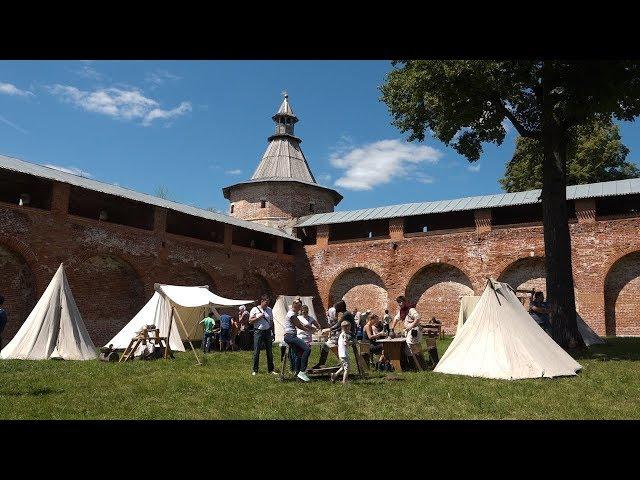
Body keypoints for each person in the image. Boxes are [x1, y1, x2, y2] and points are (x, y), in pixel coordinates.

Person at [311, 300, 357, 369]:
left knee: (329, 343)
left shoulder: (346, 314)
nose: (335, 310)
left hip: (350, 336)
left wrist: (328, 329)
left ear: (340, 307)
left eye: (336, 308)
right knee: (326, 344)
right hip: (347, 334)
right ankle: (322, 363)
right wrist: (331, 331)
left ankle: (341, 360)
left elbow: (338, 325)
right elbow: (340, 327)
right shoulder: (345, 313)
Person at [283, 299, 316, 382]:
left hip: (290, 336)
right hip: (291, 336)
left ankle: (297, 372)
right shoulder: (292, 314)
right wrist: (310, 330)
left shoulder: (292, 314)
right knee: (307, 349)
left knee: (299, 354)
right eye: (299, 307)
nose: (300, 310)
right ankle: (302, 372)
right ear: (296, 306)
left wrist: (309, 329)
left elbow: (300, 325)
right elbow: (299, 325)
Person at [249, 294, 278, 376]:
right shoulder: (254, 309)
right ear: (262, 301)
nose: (267, 304)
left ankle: (271, 370)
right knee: (256, 351)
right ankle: (255, 370)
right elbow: (250, 321)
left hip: (268, 331)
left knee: (269, 351)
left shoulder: (269, 310)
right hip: (258, 331)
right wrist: (258, 317)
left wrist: (273, 332)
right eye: (266, 302)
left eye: (268, 303)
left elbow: (272, 322)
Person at [392, 295, 422, 361]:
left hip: (414, 330)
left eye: (401, 302)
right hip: (409, 331)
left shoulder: (411, 309)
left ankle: (415, 364)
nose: (400, 304)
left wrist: (411, 326)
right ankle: (415, 363)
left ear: (405, 302)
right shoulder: (402, 311)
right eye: (399, 302)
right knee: (411, 347)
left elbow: (417, 318)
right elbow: (396, 319)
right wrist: (392, 329)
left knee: (411, 346)